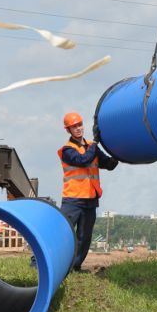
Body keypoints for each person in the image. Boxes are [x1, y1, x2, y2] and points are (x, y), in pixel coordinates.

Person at [37, 112, 118, 272]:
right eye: (74, 127)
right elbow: (83, 160)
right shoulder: (67, 150)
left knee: (84, 237)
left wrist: (118, 153)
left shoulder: (91, 146)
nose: (78, 128)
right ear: (68, 130)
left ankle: (75, 266)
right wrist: (95, 144)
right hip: (73, 199)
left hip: (90, 199)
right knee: (60, 232)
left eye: (80, 125)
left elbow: (108, 164)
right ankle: (38, 260)